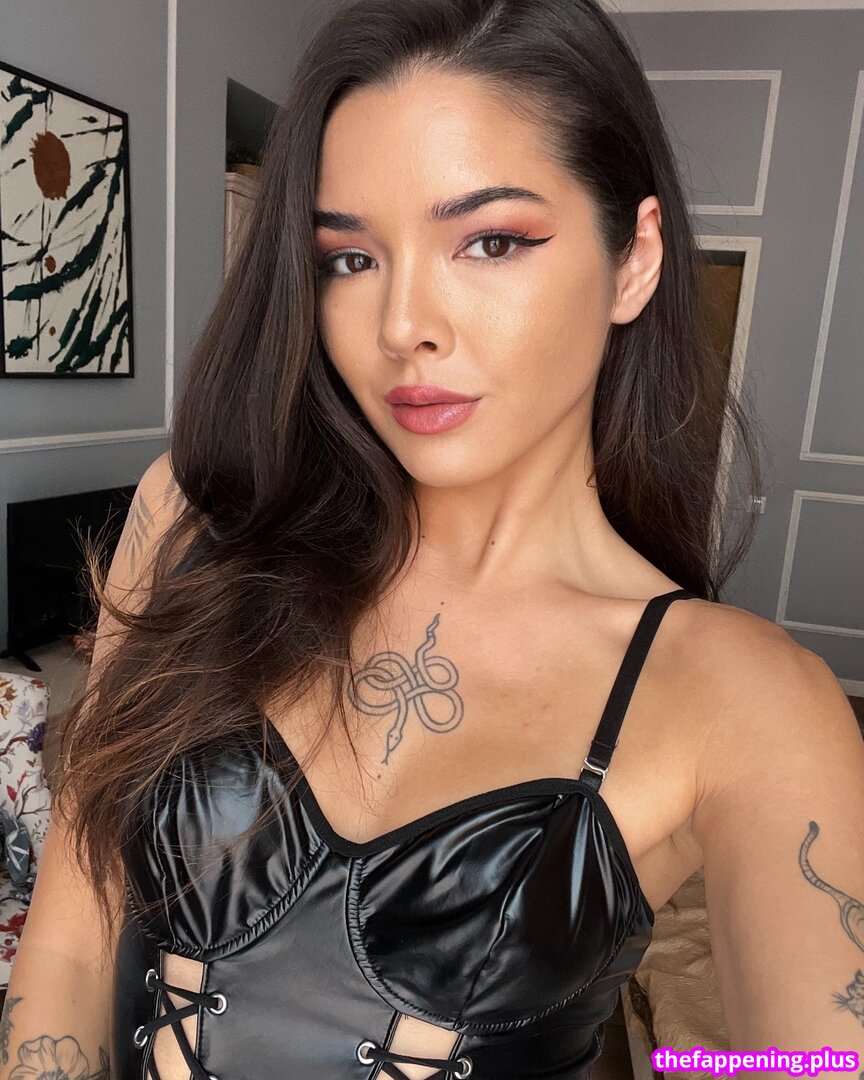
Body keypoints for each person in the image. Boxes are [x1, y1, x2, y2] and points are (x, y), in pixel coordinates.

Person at [4, 0, 864, 1077]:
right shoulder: (194, 520)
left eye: (490, 241)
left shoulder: (743, 697)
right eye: (350, 258)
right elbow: (71, 943)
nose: (404, 324)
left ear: (634, 260)